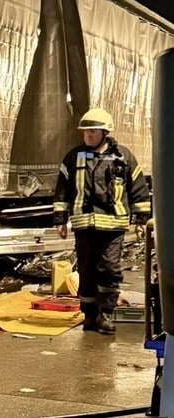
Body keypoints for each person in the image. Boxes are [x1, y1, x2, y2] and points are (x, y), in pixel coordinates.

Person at [53, 108, 152, 334]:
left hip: (113, 226)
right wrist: (60, 219)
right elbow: (62, 191)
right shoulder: (73, 157)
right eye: (85, 132)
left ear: (105, 132)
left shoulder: (123, 157)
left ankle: (105, 314)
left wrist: (141, 220)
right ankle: (89, 315)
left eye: (93, 132)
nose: (88, 136)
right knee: (86, 270)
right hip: (83, 225)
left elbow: (138, 189)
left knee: (108, 268)